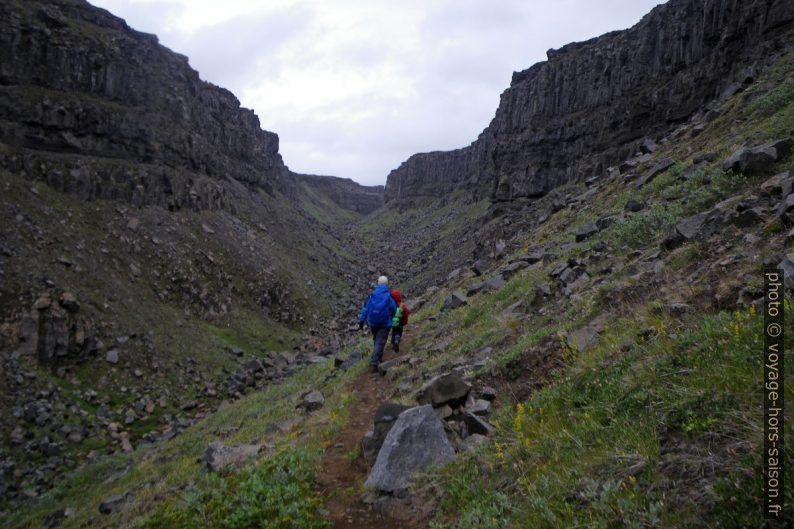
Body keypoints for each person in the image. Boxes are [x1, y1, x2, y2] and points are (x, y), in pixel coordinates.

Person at [358, 276, 398, 371]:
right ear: (386, 284)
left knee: (376, 340)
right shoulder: (388, 295)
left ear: (378, 284)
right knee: (380, 342)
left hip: (373, 322)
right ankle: (374, 362)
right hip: (384, 323)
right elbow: (394, 309)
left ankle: (378, 359)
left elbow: (366, 309)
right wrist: (391, 316)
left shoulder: (372, 295)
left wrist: (361, 321)